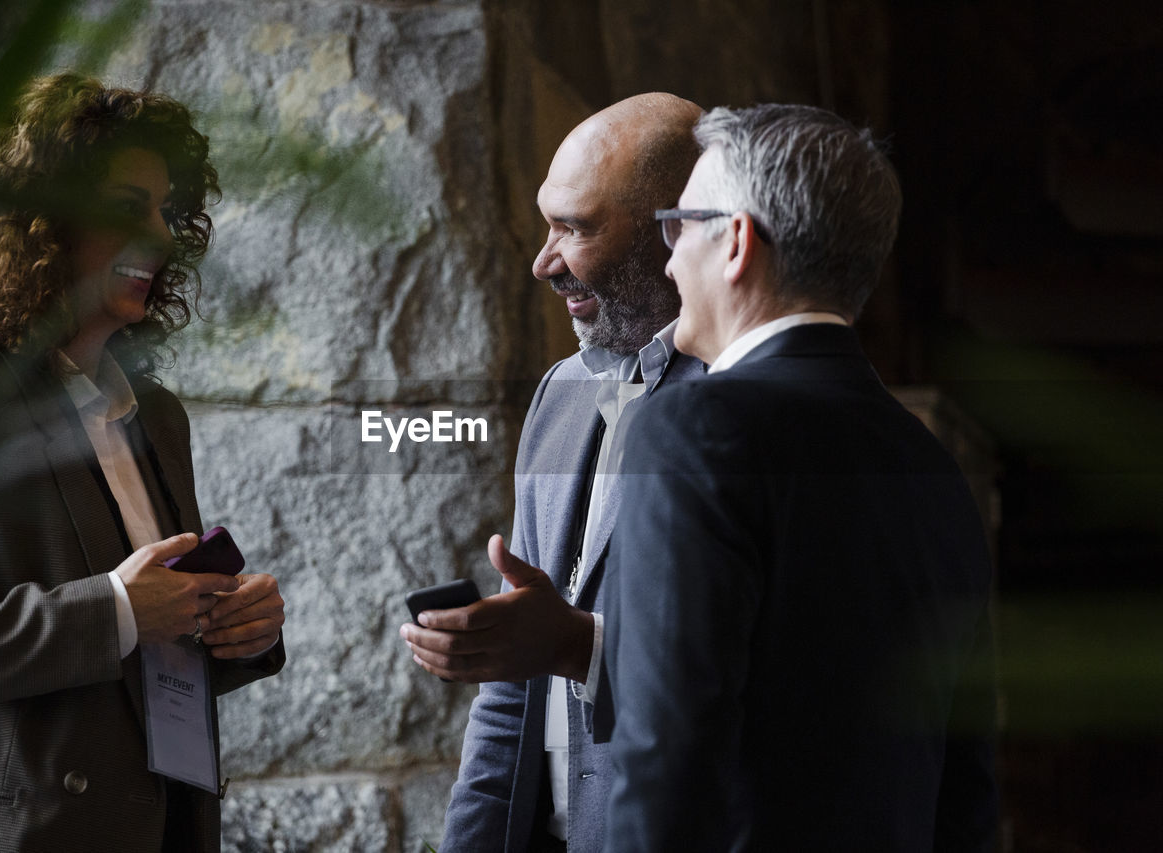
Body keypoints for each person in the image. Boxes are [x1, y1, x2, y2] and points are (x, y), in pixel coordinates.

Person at [0, 73, 285, 853]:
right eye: (128, 208)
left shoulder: (156, 415)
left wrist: (235, 629)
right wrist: (117, 610)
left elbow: (148, 646)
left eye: (166, 212)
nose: (162, 237)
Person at [601, 104, 998, 851]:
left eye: (679, 226)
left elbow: (667, 754)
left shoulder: (692, 429)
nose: (668, 259)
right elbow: (966, 782)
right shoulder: (934, 466)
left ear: (737, 242)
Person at [399, 93, 704, 852]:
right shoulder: (559, 393)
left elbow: (757, 667)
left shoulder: (743, 408)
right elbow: (510, 699)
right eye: (546, 222)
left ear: (672, 231)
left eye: (575, 227)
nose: (543, 260)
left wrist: (580, 642)